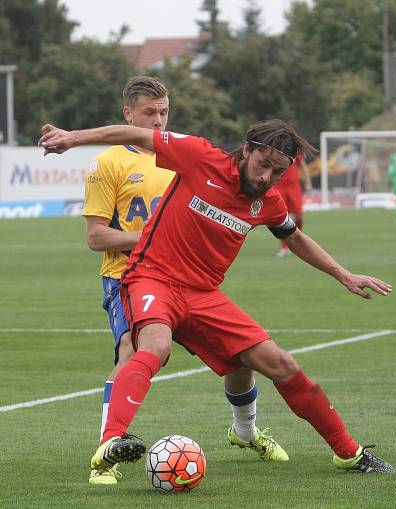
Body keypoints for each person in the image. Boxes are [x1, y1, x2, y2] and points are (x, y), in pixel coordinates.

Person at [40, 118, 396, 474]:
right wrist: (74, 137)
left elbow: (295, 238)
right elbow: (134, 133)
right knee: (155, 345)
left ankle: (349, 453)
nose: (267, 178)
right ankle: (112, 441)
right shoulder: (199, 157)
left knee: (281, 364)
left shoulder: (267, 202)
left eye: (278, 172)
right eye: (263, 165)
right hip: (152, 278)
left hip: (203, 295)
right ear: (246, 151)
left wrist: (343, 274)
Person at [77, 77, 288, 485]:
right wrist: (156, 237)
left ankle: (245, 432)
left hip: (187, 281)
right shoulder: (109, 163)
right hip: (128, 276)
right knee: (131, 348)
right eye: (148, 113)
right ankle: (108, 453)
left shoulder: (176, 155)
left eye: (163, 112)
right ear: (129, 115)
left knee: (243, 359)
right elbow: (96, 237)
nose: (158, 120)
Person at [275, 155, 311, 257]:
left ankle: (297, 240)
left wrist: (308, 182)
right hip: (279, 186)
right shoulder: (276, 149)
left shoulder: (294, 149)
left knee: (299, 216)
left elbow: (303, 165)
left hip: (294, 186)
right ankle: (285, 247)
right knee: (282, 218)